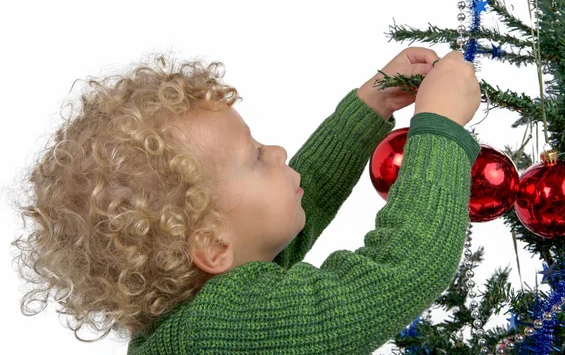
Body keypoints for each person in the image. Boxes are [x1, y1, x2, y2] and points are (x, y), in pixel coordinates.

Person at [10, 47, 481, 354]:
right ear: (212, 246)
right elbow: (402, 270)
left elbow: (294, 208)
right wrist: (440, 126)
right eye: (255, 158)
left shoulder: (201, 305)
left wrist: (367, 109)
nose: (277, 152)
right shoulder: (220, 331)